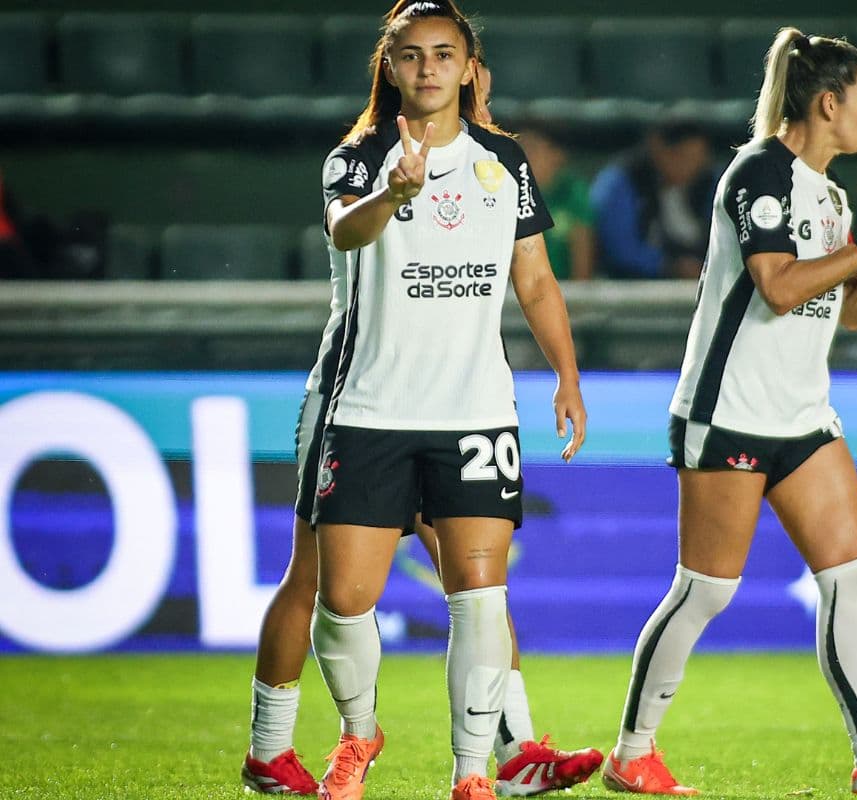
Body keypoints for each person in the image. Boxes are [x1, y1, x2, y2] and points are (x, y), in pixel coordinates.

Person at [238, 3, 596, 799]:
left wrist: (566, 375)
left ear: (470, 67)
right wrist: (397, 192)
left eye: (445, 54)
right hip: (362, 404)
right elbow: (344, 232)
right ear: (390, 66)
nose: (429, 68)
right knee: (329, 588)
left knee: (479, 591)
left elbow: (533, 278)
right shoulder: (360, 157)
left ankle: (491, 763)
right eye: (412, 55)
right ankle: (326, 739)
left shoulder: (504, 162)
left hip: (469, 411)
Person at [600, 28, 857, 797]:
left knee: (852, 576)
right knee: (704, 591)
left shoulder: (831, 193)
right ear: (828, 101)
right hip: (728, 413)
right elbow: (778, 285)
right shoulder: (757, 171)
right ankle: (632, 751)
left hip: (802, 418)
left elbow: (850, 309)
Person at [589, 120, 717, 279]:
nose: (690, 167)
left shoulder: (710, 183)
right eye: (682, 157)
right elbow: (620, 250)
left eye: (697, 160)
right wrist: (670, 266)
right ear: (658, 149)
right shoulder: (621, 181)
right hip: (630, 288)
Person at [515, 121, 594, 281]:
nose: (523, 157)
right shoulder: (506, 191)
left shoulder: (574, 193)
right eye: (519, 148)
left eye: (533, 149)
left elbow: (582, 266)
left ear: (557, 155)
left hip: (565, 294)